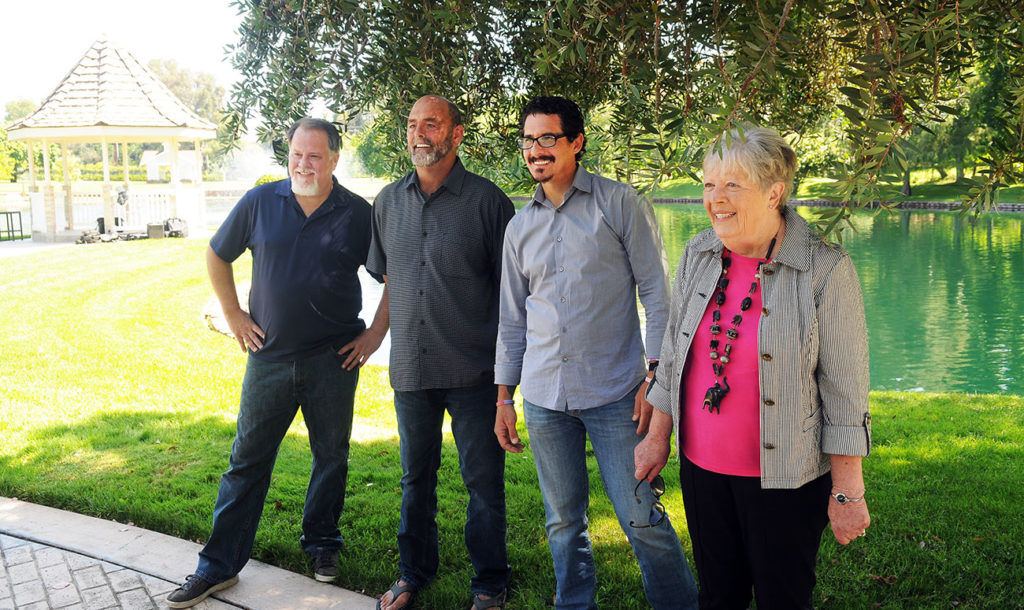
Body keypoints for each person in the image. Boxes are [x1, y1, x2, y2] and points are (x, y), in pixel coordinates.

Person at [634, 126, 872, 610]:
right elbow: (675, 354)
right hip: (703, 469)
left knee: (783, 599)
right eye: (707, 184)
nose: (715, 199)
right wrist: (658, 435)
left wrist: (847, 492)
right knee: (719, 597)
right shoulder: (699, 253)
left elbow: (846, 392)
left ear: (775, 192)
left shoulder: (825, 270)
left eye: (732, 185)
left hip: (786, 478)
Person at [166, 117, 384, 608]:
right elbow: (217, 256)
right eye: (295, 154)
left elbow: (393, 274)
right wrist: (234, 315)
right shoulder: (261, 202)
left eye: (314, 156)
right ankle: (217, 566)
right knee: (246, 463)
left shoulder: (356, 214)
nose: (302, 164)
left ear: (333, 159)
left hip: (334, 362)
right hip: (267, 360)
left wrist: (374, 334)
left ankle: (322, 545)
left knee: (331, 458)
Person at [494, 95, 698, 610]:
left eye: (548, 138)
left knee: (640, 516)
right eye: (528, 140)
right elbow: (513, 319)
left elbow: (657, 292)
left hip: (617, 396)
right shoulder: (519, 227)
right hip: (543, 400)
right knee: (562, 520)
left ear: (576, 142)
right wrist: (504, 398)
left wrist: (656, 376)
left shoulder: (620, 203)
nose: (536, 150)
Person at [368, 95, 515, 610]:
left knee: (482, 481)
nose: (418, 133)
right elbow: (388, 277)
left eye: (431, 123)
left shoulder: (489, 203)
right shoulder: (387, 202)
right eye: (412, 124)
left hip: (475, 370)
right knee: (415, 477)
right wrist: (371, 336)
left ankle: (490, 582)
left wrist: (507, 382)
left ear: (456, 135)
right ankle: (413, 573)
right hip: (410, 367)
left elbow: (512, 295)